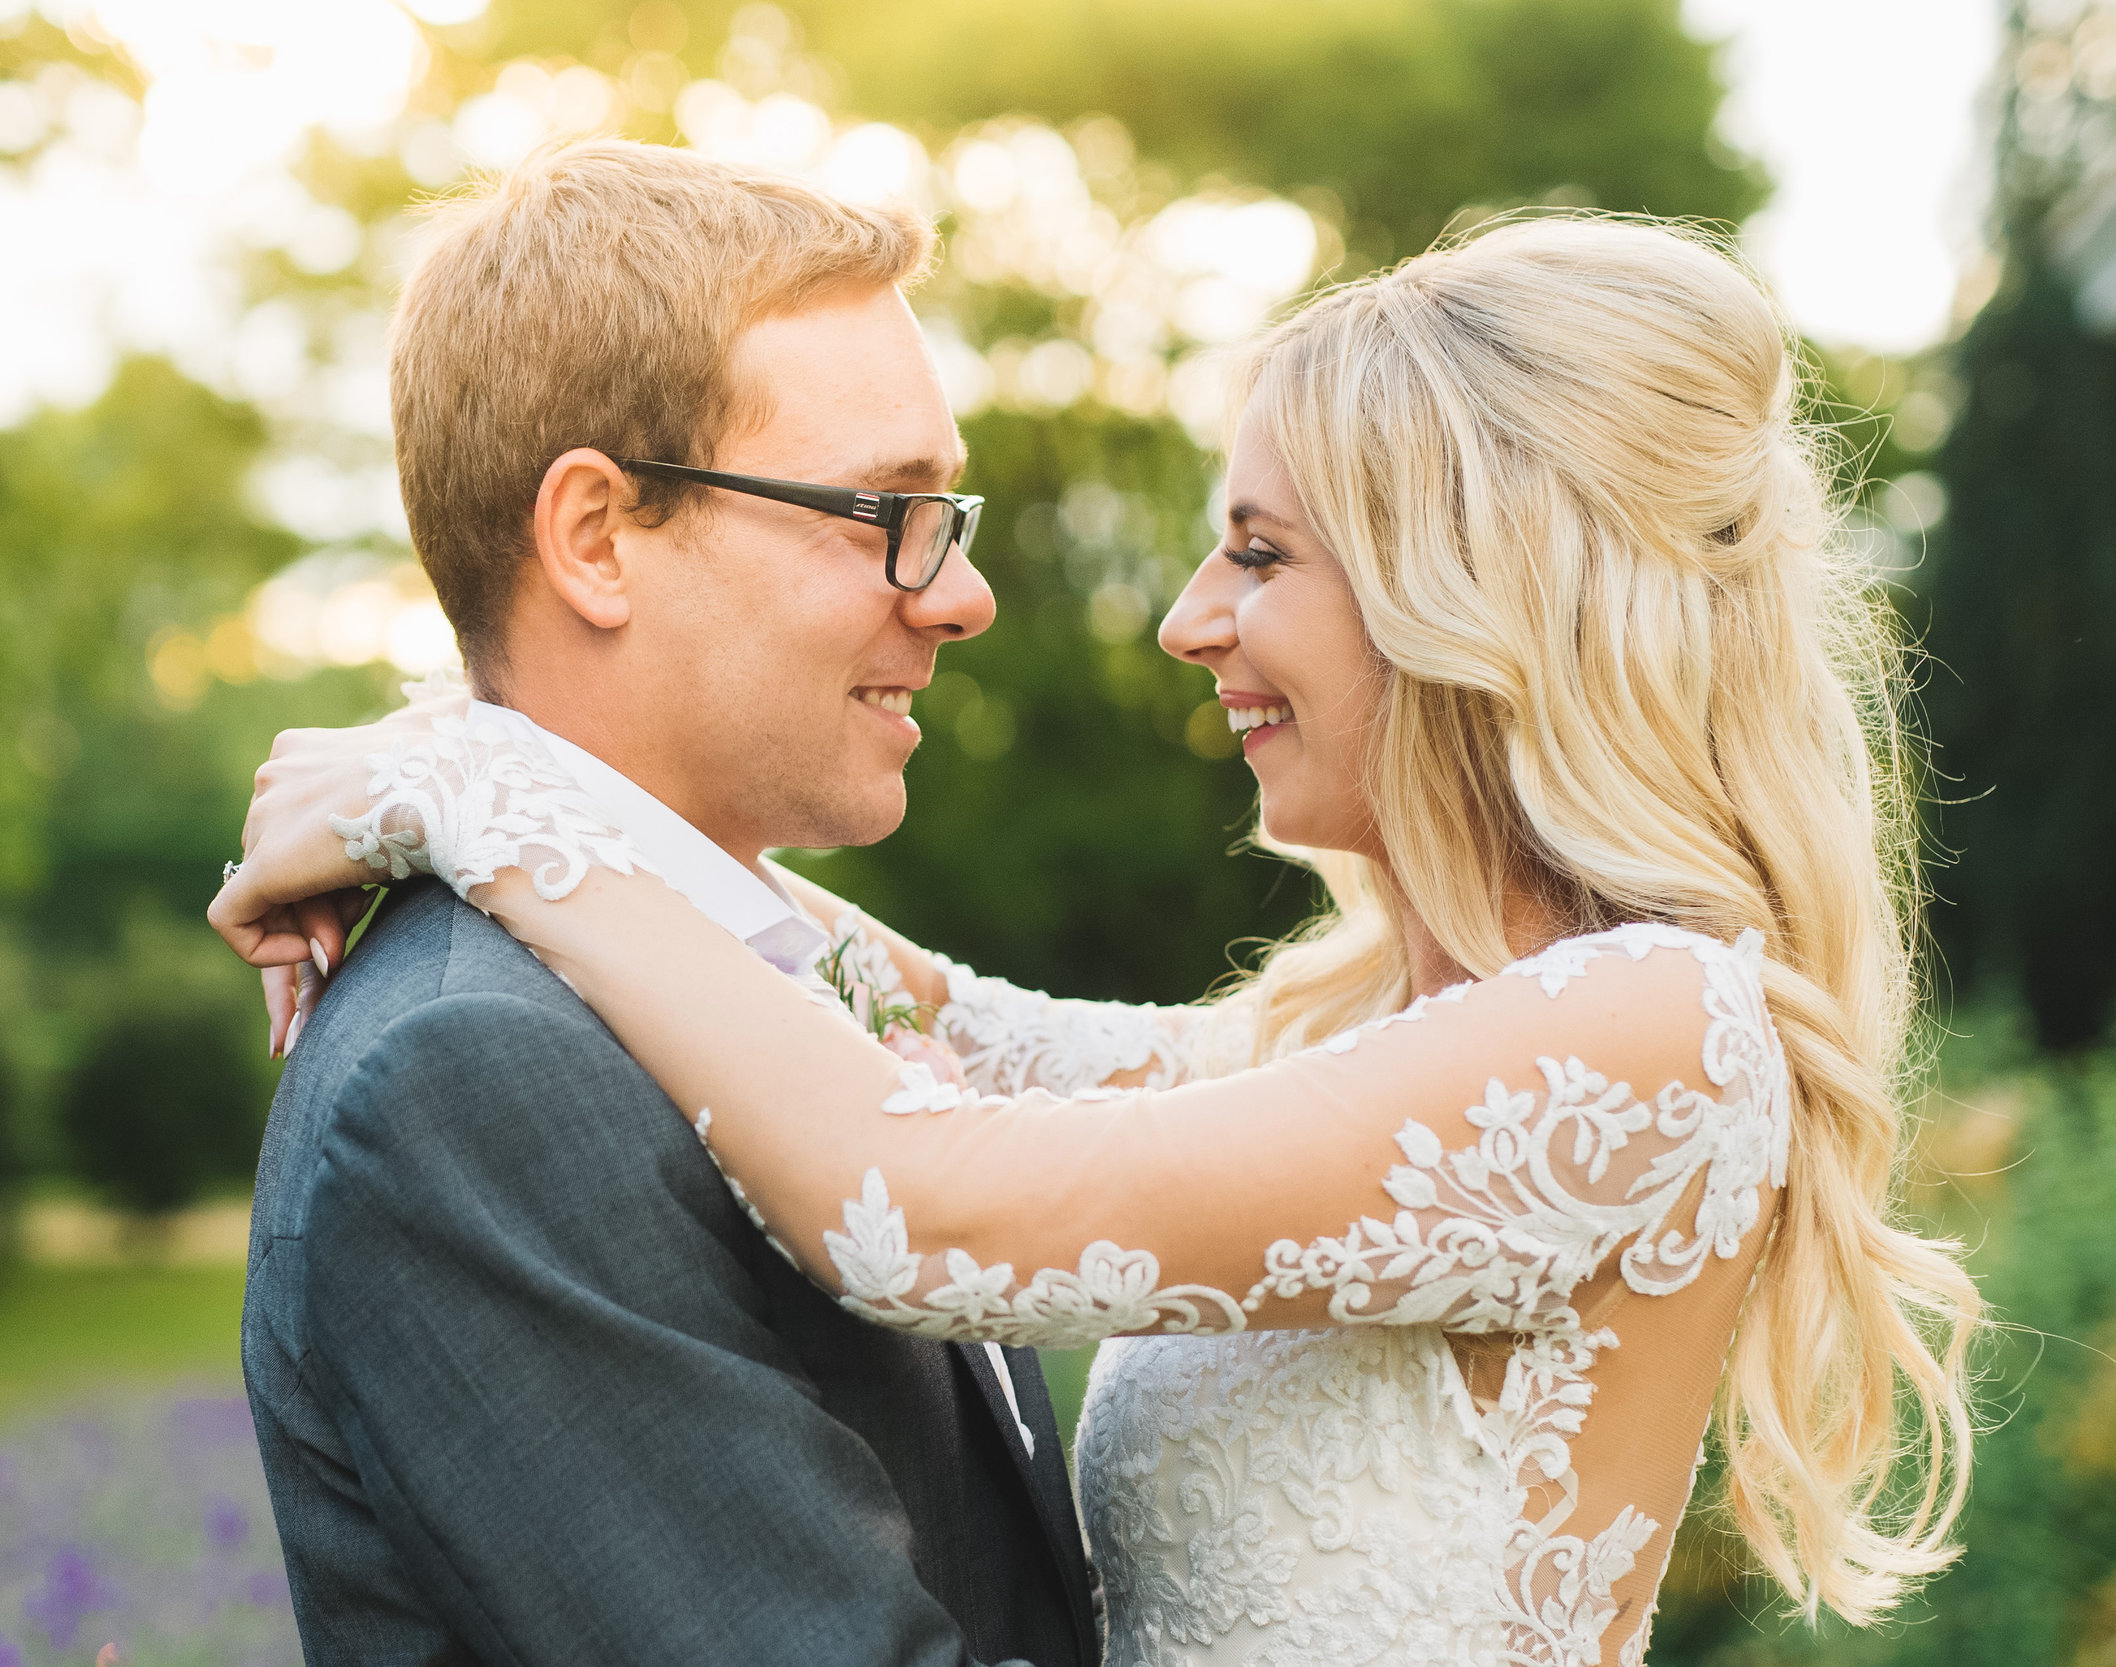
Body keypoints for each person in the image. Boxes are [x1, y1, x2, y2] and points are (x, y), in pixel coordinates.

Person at [218, 214, 1983, 1667]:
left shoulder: (1646, 1031)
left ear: (1474, 593)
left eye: (1260, 552)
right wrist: (459, 760)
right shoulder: (1382, 1030)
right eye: (890, 512)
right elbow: (926, 1017)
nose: (1187, 618)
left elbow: (925, 1195)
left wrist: (480, 799)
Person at [231, 139, 1095, 1666]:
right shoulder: (472, 1075)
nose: (962, 595)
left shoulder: (744, 960)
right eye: (886, 509)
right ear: (598, 539)